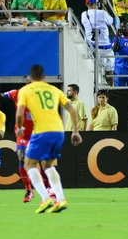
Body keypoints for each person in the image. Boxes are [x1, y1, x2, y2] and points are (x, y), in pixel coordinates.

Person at [16, 64, 82, 213]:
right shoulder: (54, 89)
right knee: (48, 165)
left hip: (42, 131)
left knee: (29, 164)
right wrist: (75, 131)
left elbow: (20, 113)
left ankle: (46, 198)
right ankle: (60, 199)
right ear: (44, 77)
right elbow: (71, 109)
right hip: (58, 131)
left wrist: (19, 127)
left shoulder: (26, 90)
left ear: (29, 78)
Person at [0, 82, 54, 203]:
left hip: (37, 134)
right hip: (22, 134)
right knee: (21, 158)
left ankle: (49, 189)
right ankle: (29, 191)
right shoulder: (17, 93)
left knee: (42, 161)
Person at [81, 0, 114, 86]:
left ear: (86, 3)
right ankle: (112, 90)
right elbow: (111, 21)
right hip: (106, 47)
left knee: (98, 73)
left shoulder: (84, 14)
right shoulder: (102, 13)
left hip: (93, 47)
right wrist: (104, 8)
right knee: (110, 71)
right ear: (96, 2)